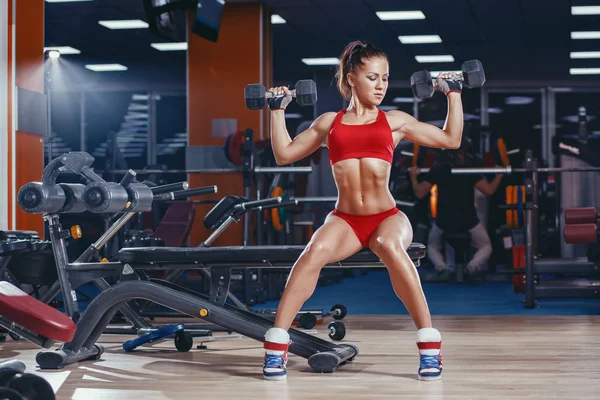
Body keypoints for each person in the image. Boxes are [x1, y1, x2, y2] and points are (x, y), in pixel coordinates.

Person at [262, 40, 464, 382]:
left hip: (387, 217)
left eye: (385, 77)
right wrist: (276, 110)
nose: (381, 85)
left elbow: (450, 140)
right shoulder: (329, 124)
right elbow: (284, 154)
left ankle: (430, 346)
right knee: (313, 252)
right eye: (373, 77)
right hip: (345, 220)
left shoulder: (395, 121)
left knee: (389, 246)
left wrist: (453, 94)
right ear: (351, 78)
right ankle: (276, 346)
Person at [409, 139, 503, 279]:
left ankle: (442, 267)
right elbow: (489, 190)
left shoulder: (439, 169)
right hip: (469, 221)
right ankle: (472, 267)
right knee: (486, 246)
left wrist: (413, 177)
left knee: (432, 246)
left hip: (443, 221)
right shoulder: (469, 170)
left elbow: (419, 193)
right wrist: (499, 176)